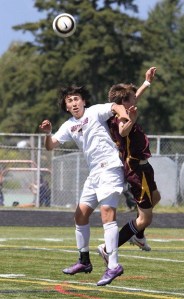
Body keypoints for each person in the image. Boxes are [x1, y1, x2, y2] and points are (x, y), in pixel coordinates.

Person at [39, 85, 130, 286]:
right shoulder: (69, 125)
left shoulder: (95, 111)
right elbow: (51, 145)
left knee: (107, 213)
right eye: (69, 101)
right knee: (80, 215)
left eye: (76, 99)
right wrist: (48, 133)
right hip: (94, 173)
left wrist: (124, 117)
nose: (74, 103)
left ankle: (113, 265)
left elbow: (116, 106)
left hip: (110, 168)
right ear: (66, 106)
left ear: (83, 101)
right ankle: (84, 261)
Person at [97, 67, 161, 263]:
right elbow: (123, 131)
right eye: (132, 98)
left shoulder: (123, 109)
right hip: (135, 169)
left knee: (156, 197)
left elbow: (133, 99)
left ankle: (138, 235)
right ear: (123, 102)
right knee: (145, 219)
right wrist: (131, 121)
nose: (136, 100)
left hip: (144, 167)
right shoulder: (119, 118)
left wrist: (146, 83)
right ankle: (108, 247)